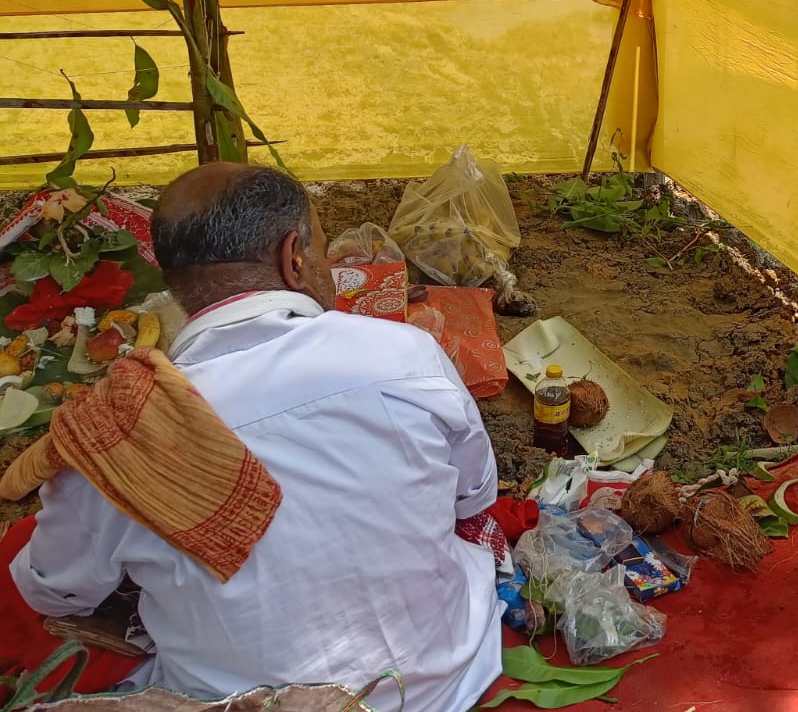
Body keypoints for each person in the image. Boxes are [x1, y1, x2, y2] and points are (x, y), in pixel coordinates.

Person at [7, 164, 502, 711]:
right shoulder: (404, 352)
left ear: (171, 276)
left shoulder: (113, 435)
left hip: (239, 700)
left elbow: (53, 592)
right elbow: (474, 497)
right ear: (294, 258)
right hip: (449, 679)